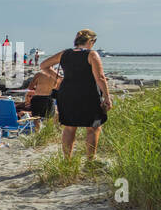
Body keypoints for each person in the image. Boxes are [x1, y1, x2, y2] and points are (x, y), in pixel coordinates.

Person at [39, 29, 111, 160]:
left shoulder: (64, 54)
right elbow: (100, 77)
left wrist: (59, 78)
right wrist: (107, 97)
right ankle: (90, 160)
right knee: (93, 127)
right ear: (90, 41)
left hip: (67, 94)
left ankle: (67, 160)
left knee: (69, 128)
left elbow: (43, 65)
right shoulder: (92, 55)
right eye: (94, 41)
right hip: (88, 94)